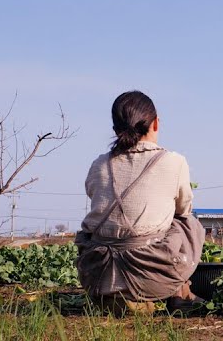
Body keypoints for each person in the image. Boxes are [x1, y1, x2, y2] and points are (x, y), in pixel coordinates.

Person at [76, 90, 205, 314]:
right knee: (187, 223)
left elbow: (92, 193)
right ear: (156, 123)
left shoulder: (99, 164)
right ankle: (177, 291)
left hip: (96, 275)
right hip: (152, 279)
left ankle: (115, 294)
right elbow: (184, 208)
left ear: (115, 129)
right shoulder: (173, 161)